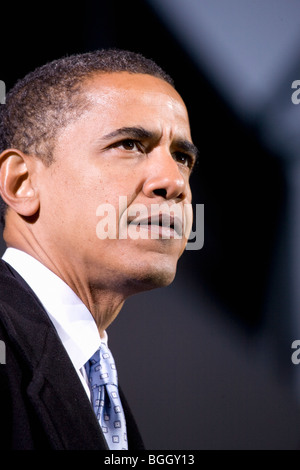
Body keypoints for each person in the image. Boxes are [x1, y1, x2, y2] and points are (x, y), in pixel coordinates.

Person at [0, 49, 197, 450]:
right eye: (129, 144)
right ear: (22, 183)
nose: (173, 181)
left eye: (182, 157)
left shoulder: (93, 378)